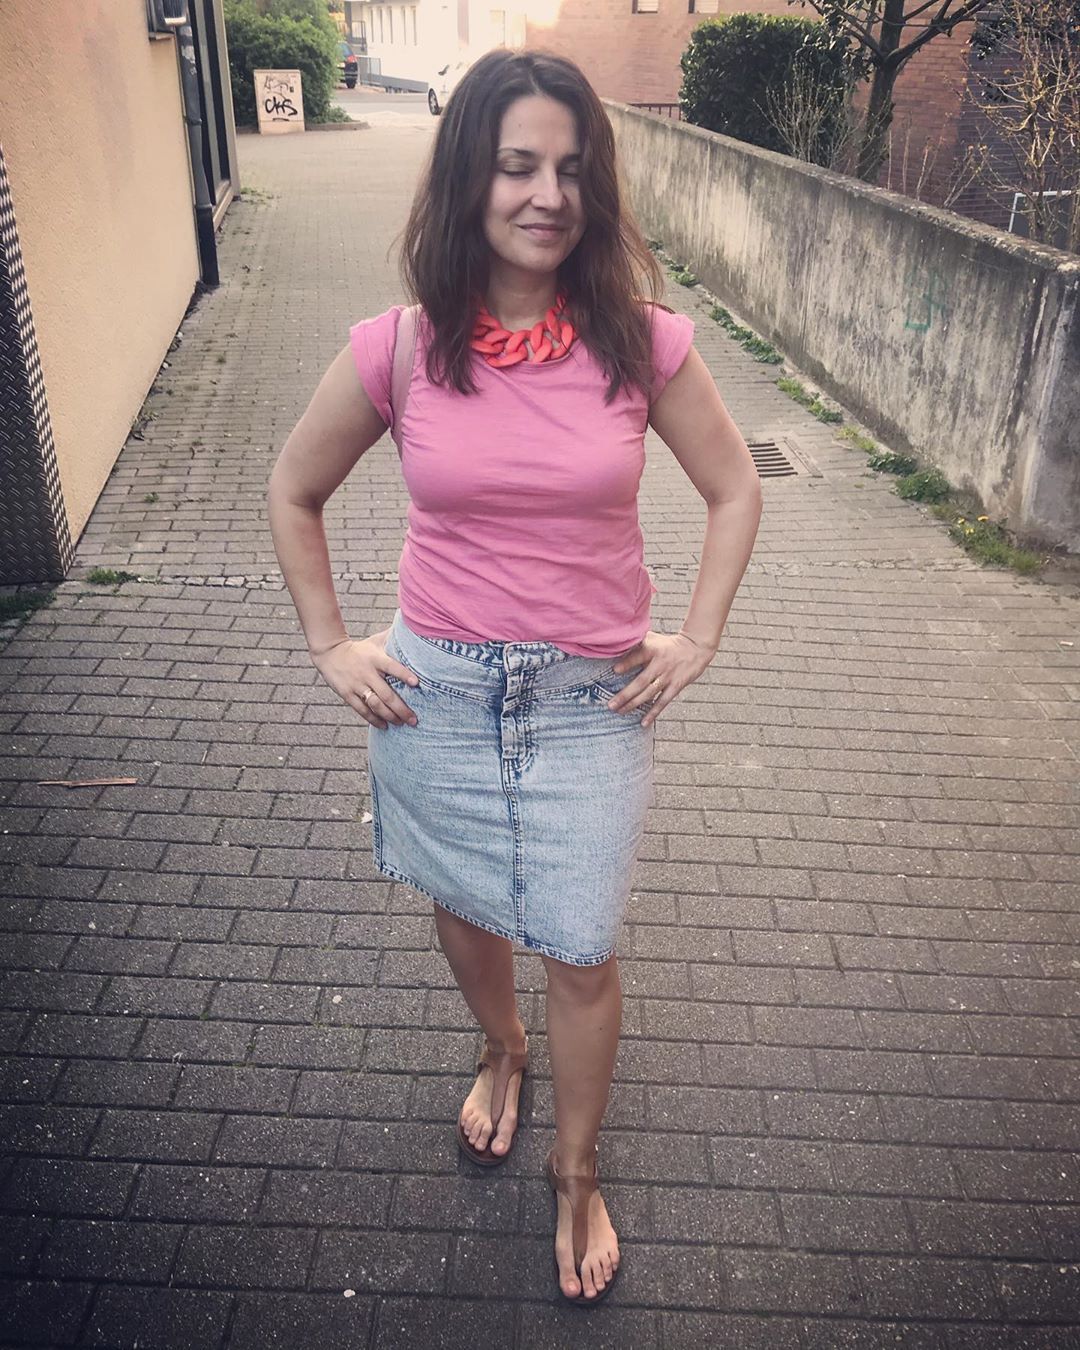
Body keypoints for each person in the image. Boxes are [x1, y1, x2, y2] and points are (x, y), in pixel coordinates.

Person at [267, 48, 762, 1305]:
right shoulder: (399, 348)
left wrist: (697, 638)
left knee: (582, 946)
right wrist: (331, 643)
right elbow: (293, 489)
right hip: (433, 692)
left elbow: (734, 487)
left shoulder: (643, 343)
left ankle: (575, 1173)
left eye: (572, 169)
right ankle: (501, 1047)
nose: (548, 195)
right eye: (517, 166)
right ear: (467, 180)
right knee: (466, 910)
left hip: (591, 704)